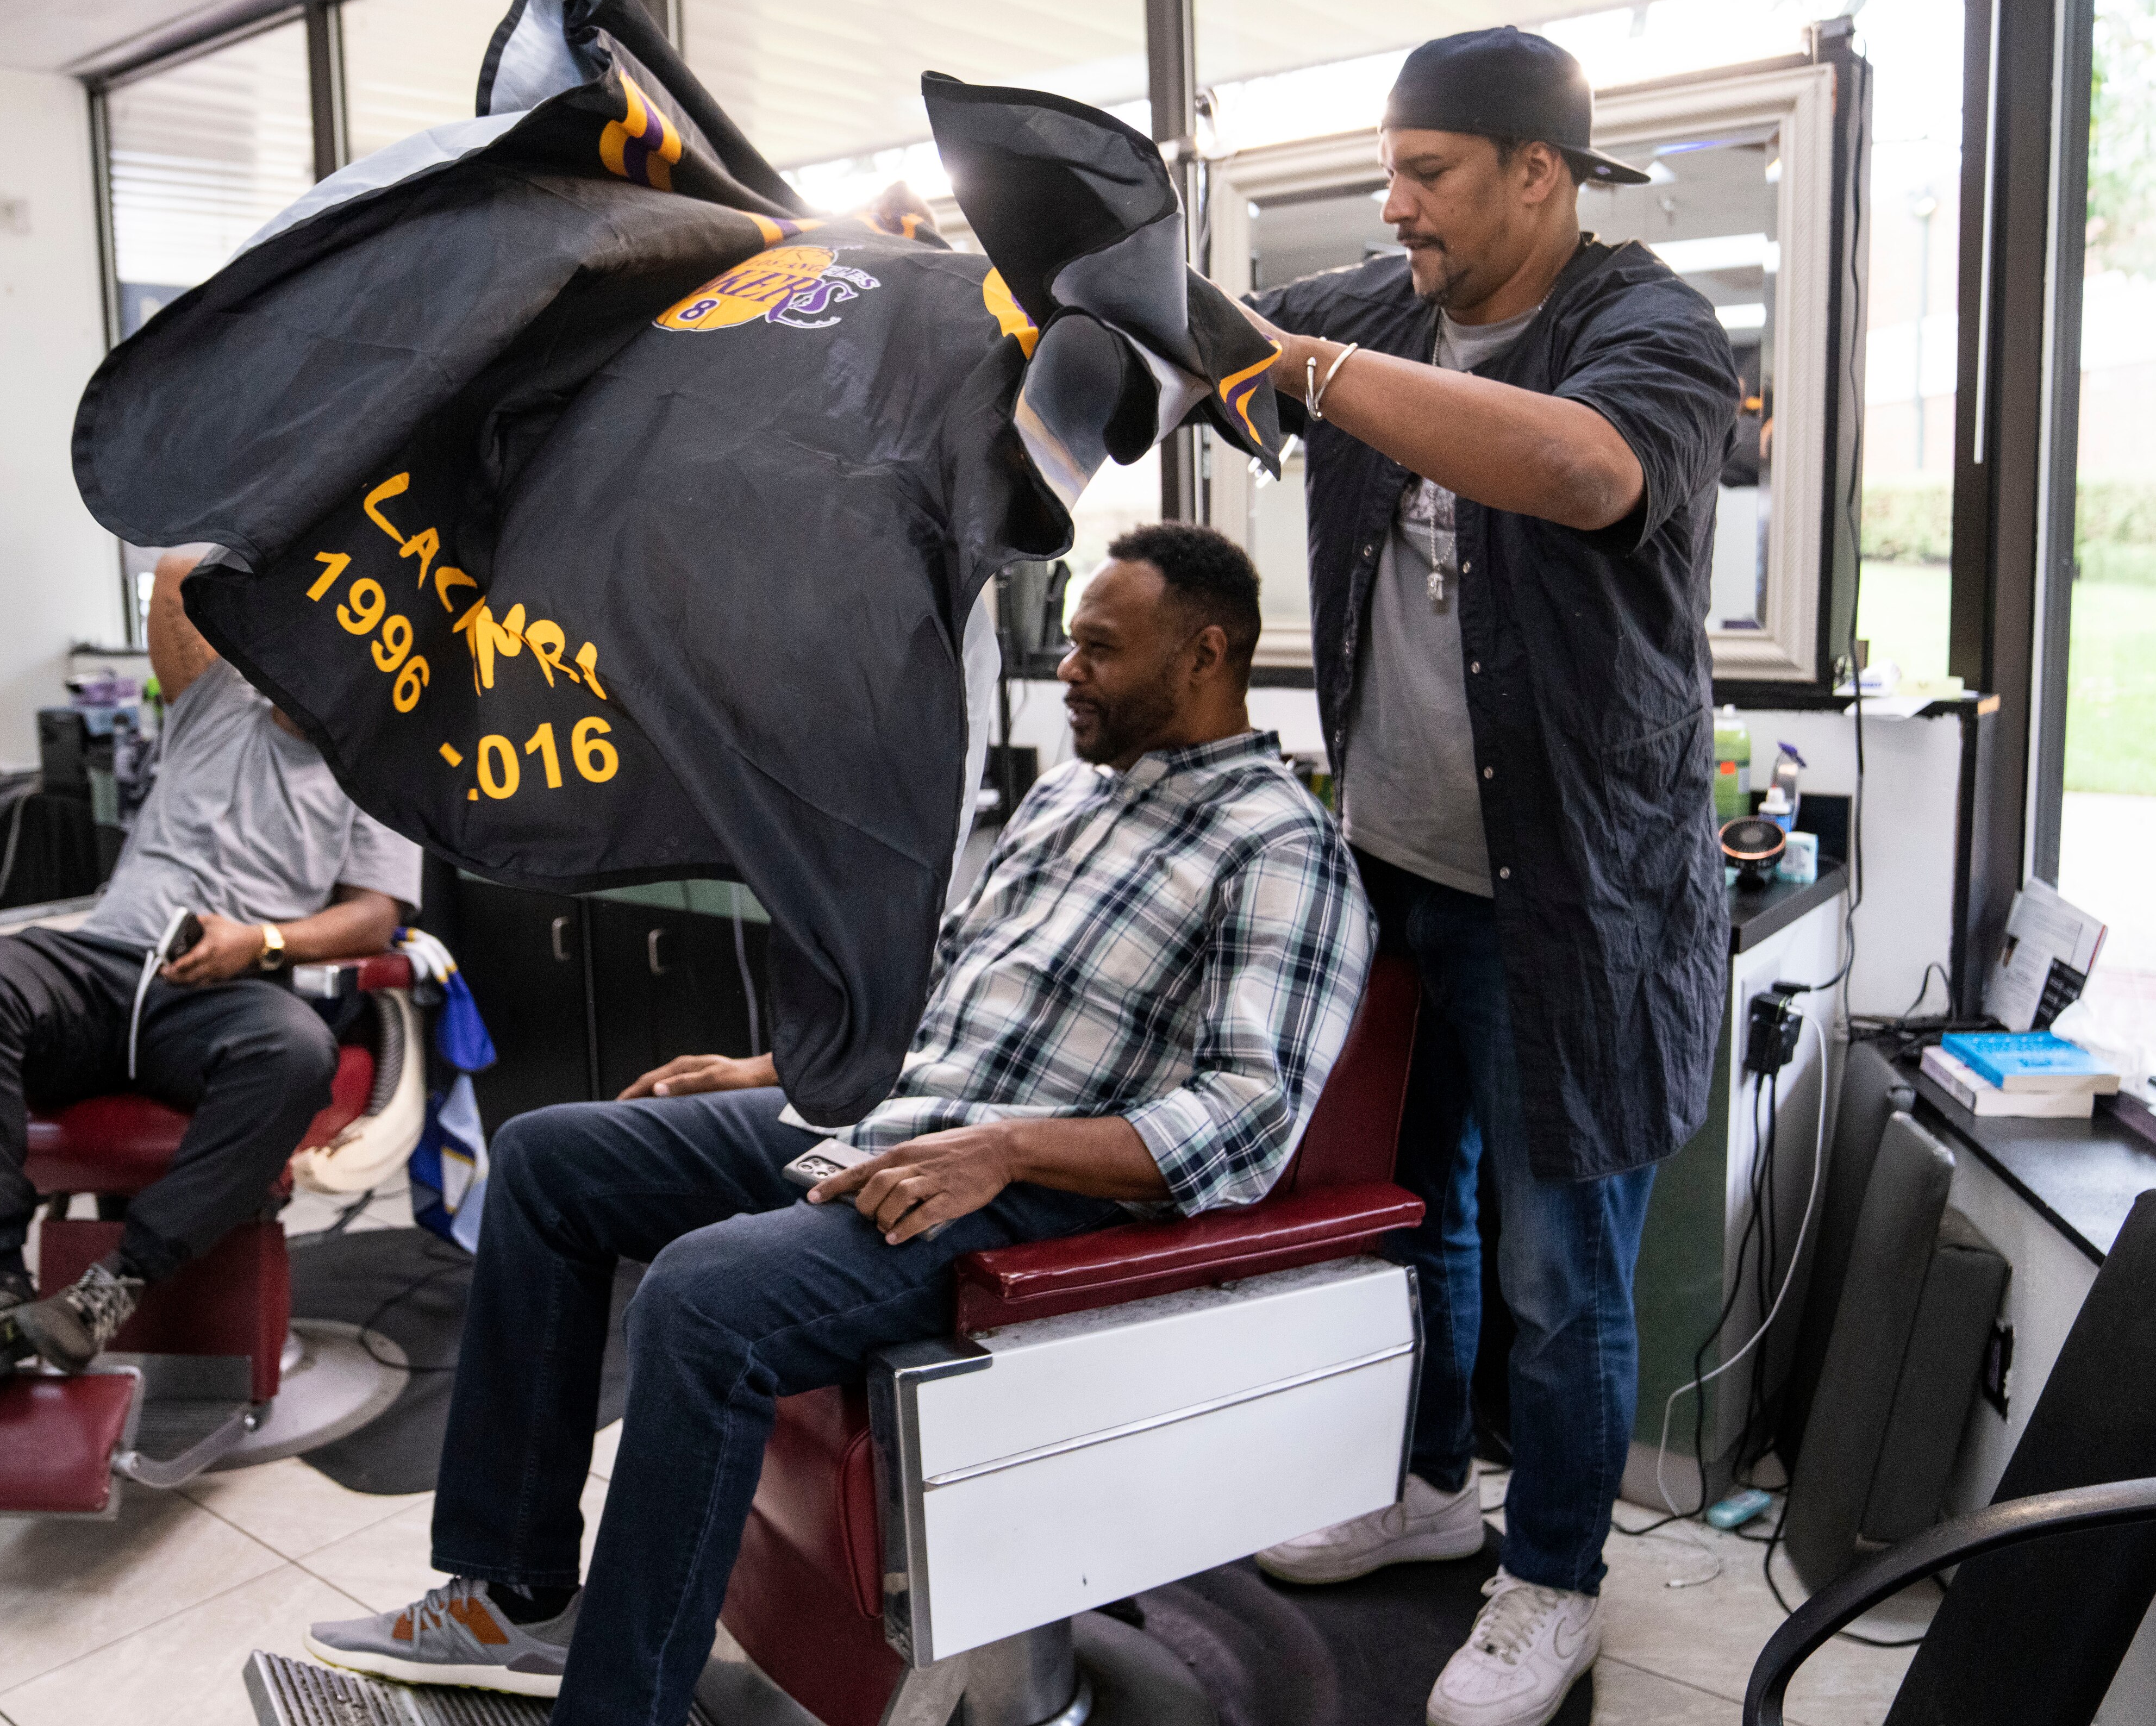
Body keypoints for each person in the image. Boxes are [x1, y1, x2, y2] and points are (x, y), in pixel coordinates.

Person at [304, 526, 1376, 1724]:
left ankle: (620, 1706)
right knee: (552, 1158)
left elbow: (1246, 1118)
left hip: (1032, 1195)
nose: (1068, 670)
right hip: (906, 1120)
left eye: (1100, 649)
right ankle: (514, 1595)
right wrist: (771, 1069)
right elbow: (958, 993)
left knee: (703, 1297)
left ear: (1207, 657)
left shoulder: (1281, 849)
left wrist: (1006, 1148)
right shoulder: (1072, 796)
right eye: (1070, 643)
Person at [1235, 27, 1739, 1726]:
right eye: (1387, 171)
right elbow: (1217, 339)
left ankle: (1554, 1580)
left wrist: (1300, 373)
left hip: (1569, 902)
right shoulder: (1379, 307)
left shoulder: (1652, 329)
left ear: (1542, 173)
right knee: (1415, 1214)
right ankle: (1428, 1483)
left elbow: (1586, 470)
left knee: (1560, 1268)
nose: (1397, 209)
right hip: (1396, 873)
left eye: (1427, 174)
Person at [0, 550, 423, 1385]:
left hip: (226, 987)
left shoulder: (373, 764)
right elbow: (181, 569)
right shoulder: (217, 700)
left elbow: (378, 913)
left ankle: (113, 1287)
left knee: (294, 1051)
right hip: (103, 962)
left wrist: (261, 943)